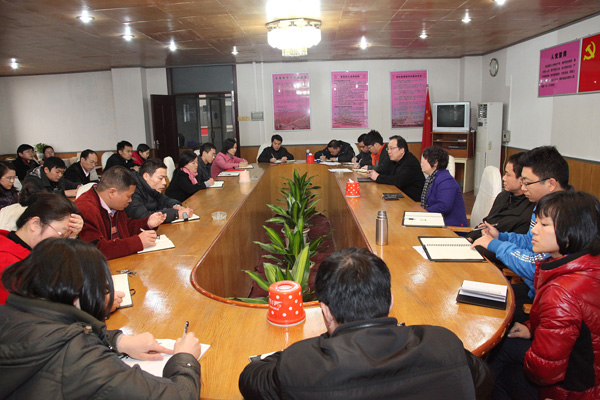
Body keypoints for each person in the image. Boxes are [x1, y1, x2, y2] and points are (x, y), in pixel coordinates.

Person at [239, 247, 493, 400]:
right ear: (390, 301)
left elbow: (250, 378)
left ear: (325, 312)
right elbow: (483, 381)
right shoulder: (443, 344)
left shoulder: (301, 363)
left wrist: (316, 344)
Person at [0, 238, 202, 399]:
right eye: (103, 290)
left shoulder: (10, 314)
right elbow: (178, 396)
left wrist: (118, 341)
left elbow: (58, 333)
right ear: (80, 296)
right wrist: (185, 359)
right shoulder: (80, 359)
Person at [490, 191, 600, 400]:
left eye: (544, 224)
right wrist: (532, 329)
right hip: (588, 370)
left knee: (495, 371)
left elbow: (543, 373)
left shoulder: (562, 293)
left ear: (571, 231)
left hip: (574, 389)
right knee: (505, 347)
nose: (534, 230)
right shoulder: (587, 263)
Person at [472, 146, 571, 299]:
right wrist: (500, 236)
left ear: (551, 184)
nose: (523, 188)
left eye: (527, 183)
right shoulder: (542, 205)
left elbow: (537, 266)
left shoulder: (566, 215)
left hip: (544, 297)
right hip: (533, 288)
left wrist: (495, 244)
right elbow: (529, 241)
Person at [0, 192, 83, 304]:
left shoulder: (29, 252)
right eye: (62, 234)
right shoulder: (9, 263)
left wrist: (72, 237)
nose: (62, 242)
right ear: (35, 223)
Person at [75, 166, 166, 260]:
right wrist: (137, 242)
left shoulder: (114, 204)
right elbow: (95, 250)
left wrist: (147, 223)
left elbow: (125, 227)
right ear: (112, 192)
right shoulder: (85, 208)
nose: (130, 200)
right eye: (128, 196)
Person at [466, 152, 535, 243]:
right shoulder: (503, 196)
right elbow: (487, 222)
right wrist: (470, 237)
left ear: (522, 179)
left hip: (493, 247)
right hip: (481, 242)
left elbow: (513, 243)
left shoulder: (529, 211)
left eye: (508, 174)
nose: (504, 178)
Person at [126, 158, 193, 223]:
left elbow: (165, 199)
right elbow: (143, 216)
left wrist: (176, 206)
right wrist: (176, 214)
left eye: (165, 179)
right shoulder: (132, 189)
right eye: (160, 178)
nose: (164, 182)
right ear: (146, 176)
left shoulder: (151, 187)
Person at [420, 146, 468, 227]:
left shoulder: (446, 180)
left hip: (449, 226)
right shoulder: (431, 178)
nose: (422, 162)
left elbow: (444, 206)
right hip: (435, 220)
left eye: (425, 159)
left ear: (435, 162)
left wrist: (422, 212)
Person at [366, 135, 424, 202]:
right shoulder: (393, 159)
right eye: (388, 149)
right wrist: (373, 173)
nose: (389, 152)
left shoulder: (410, 162)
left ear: (402, 150)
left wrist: (378, 177)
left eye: (392, 148)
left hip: (412, 201)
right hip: (399, 195)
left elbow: (399, 181)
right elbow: (383, 170)